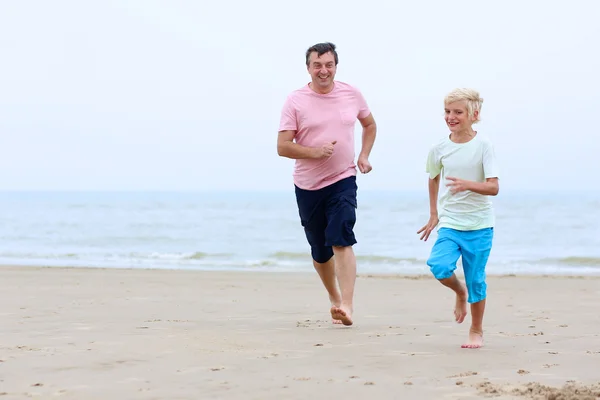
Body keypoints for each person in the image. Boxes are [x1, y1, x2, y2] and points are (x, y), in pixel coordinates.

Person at [277, 42, 377, 326]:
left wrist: (364, 155)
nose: (324, 71)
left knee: (341, 235)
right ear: (308, 68)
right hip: (308, 186)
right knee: (320, 252)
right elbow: (282, 147)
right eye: (317, 65)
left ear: (336, 66)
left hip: (343, 178)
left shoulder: (351, 94)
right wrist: (314, 152)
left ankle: (347, 304)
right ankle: (334, 297)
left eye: (329, 65)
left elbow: (369, 125)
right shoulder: (295, 101)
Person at [417, 88, 499, 348]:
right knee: (439, 266)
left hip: (480, 225)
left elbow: (493, 187)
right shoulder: (439, 148)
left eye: (457, 112)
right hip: (451, 223)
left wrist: (468, 185)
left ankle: (476, 330)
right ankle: (459, 291)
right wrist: (433, 214)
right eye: (447, 111)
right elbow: (432, 177)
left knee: (476, 279)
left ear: (474, 115)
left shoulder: (484, 146)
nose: (451, 117)